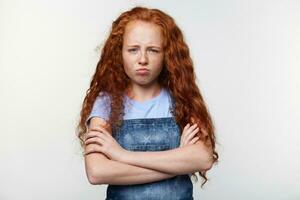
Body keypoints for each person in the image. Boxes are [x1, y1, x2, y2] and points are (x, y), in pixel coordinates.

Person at [76, 6, 218, 200]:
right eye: (133, 50)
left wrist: (122, 155)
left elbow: (202, 158)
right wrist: (178, 162)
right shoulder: (105, 103)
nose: (142, 59)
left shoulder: (183, 98)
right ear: (120, 53)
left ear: (166, 54)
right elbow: (97, 172)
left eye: (153, 50)